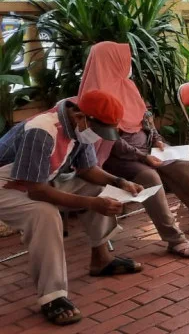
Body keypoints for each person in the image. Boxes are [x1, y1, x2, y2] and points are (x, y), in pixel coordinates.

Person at [78, 42, 189, 260]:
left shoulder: (127, 86)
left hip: (147, 149)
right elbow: (111, 141)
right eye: (123, 60)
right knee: (149, 177)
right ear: (110, 61)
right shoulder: (94, 95)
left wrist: (156, 139)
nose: (129, 66)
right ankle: (175, 239)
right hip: (116, 158)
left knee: (183, 165)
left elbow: (146, 118)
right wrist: (142, 156)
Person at [0, 90, 143, 326]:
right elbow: (36, 191)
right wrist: (91, 204)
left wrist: (119, 182)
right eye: (97, 131)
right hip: (7, 184)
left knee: (98, 189)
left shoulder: (80, 128)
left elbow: (87, 170)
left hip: (39, 179)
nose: (97, 137)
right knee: (44, 214)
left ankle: (102, 260)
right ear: (80, 117)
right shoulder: (42, 130)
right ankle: (52, 297)